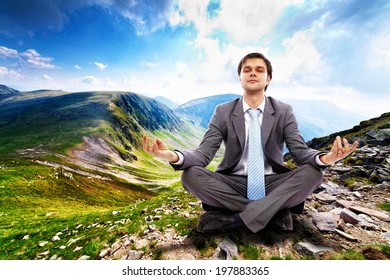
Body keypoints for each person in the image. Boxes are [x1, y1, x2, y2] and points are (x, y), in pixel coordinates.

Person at [143, 52, 358, 234]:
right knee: (189, 175)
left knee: (314, 173)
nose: (253, 72)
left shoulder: (284, 111)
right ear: (240, 78)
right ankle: (273, 212)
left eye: (259, 69)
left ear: (268, 78)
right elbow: (204, 153)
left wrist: (327, 158)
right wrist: (172, 156)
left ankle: (235, 220)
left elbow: (300, 151)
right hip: (233, 183)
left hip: (272, 181)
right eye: (247, 69)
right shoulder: (223, 111)